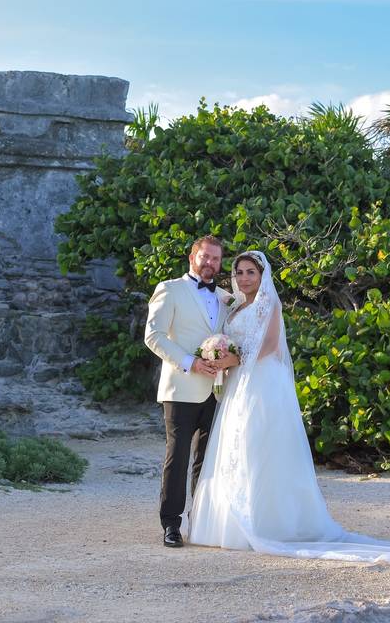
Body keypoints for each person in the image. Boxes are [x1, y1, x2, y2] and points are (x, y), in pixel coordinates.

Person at [185, 250, 390, 565]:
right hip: (237, 382)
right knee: (233, 445)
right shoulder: (233, 308)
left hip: (261, 381)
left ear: (262, 276)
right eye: (239, 273)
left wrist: (236, 358)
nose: (244, 278)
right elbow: (232, 339)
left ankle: (266, 521)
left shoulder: (269, 304)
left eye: (251, 272)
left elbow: (271, 345)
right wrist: (221, 355)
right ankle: (227, 523)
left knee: (258, 445)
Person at [144, 235, 240, 548]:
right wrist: (191, 363)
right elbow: (154, 336)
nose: (210, 263)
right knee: (178, 458)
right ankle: (171, 525)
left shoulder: (227, 298)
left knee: (208, 460)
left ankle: (201, 521)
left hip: (217, 390)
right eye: (206, 257)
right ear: (192, 257)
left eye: (216, 258)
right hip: (180, 389)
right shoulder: (169, 289)